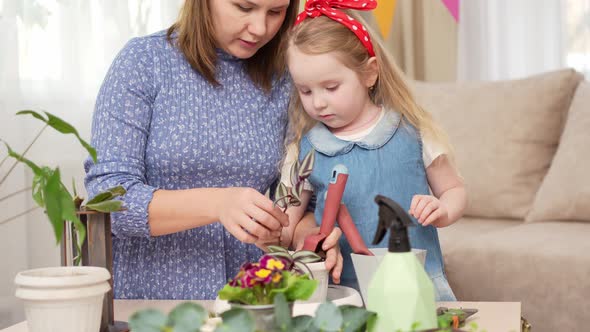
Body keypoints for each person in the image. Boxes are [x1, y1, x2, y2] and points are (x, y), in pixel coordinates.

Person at [84, 0, 342, 300]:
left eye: (276, 12)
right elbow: (108, 200)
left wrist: (308, 238)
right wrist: (219, 203)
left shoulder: (285, 77)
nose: (260, 28)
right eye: (244, 7)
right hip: (152, 303)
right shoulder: (144, 62)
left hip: (252, 303)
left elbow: (299, 203)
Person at [279, 0, 467, 301]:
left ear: (369, 74)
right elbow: (285, 227)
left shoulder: (413, 132)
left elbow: (455, 190)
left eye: (330, 87)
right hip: (342, 295)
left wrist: (443, 210)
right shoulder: (303, 151)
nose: (318, 102)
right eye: (305, 90)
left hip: (416, 288)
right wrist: (276, 232)